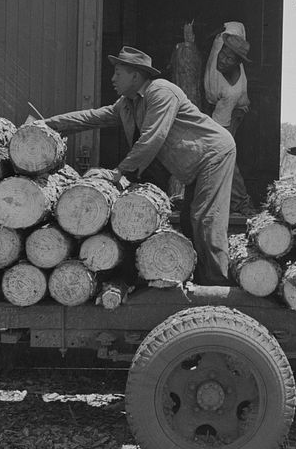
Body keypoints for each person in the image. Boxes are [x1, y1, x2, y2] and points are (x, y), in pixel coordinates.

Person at [36, 46, 237, 286]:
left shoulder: (161, 92)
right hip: (195, 165)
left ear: (135, 75)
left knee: (206, 219)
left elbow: (153, 138)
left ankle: (218, 286)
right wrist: (47, 125)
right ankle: (202, 279)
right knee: (188, 221)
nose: (112, 79)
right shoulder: (127, 105)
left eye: (118, 73)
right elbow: (91, 117)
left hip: (213, 155)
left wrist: (120, 171)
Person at [203, 21, 256, 216]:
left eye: (228, 59)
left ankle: (241, 201)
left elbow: (218, 136)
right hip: (211, 100)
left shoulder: (232, 91)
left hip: (233, 112)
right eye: (223, 54)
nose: (222, 60)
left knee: (223, 152)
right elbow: (237, 25)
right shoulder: (223, 40)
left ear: (237, 63)